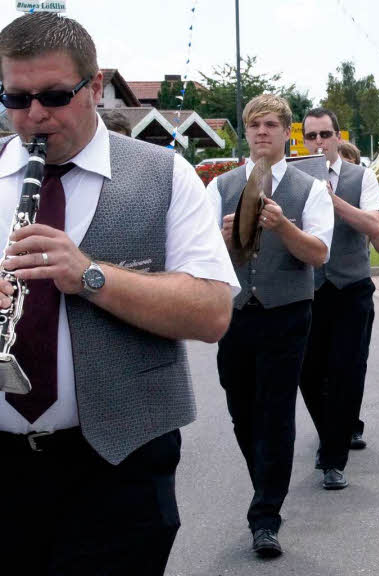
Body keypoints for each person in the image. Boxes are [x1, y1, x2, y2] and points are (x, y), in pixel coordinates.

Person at [0, 12, 237, 574]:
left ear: (96, 87)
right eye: (14, 97)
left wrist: (88, 275)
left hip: (120, 465)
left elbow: (212, 312)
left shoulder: (165, 175)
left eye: (55, 95)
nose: (34, 115)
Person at [208, 94, 334, 558]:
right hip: (236, 312)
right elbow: (197, 262)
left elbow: (319, 254)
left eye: (271, 125)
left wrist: (284, 227)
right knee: (243, 412)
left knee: (277, 412)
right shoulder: (220, 187)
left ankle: (266, 515)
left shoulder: (309, 189)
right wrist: (218, 241)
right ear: (247, 131)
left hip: (287, 312)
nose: (262, 132)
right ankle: (265, 484)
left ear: (287, 133)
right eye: (255, 124)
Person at [298, 110, 379, 496]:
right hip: (308, 289)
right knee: (309, 373)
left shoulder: (361, 177)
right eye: (311, 135)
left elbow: (375, 226)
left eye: (326, 134)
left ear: (338, 136)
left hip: (351, 287)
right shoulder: (293, 179)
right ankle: (331, 431)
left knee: (347, 372)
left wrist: (332, 202)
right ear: (301, 139)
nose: (319, 142)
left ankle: (333, 458)